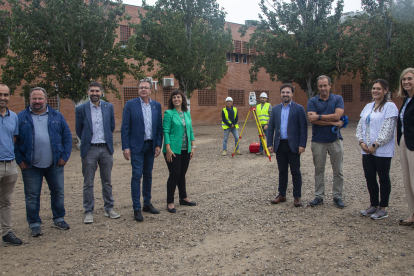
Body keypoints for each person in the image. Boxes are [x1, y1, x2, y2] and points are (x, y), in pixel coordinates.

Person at [15, 87, 72, 237]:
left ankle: (59, 218)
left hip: (55, 164)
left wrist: (64, 156)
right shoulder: (20, 118)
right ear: (30, 100)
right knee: (32, 195)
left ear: (46, 99)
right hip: (30, 165)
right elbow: (14, 141)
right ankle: (34, 223)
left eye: (40, 98)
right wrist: (19, 160)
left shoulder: (57, 116)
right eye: (34, 98)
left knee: (58, 192)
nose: (37, 101)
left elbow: (67, 137)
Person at [76, 82, 120, 224]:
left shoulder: (109, 107)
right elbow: (79, 129)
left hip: (106, 149)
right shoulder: (81, 109)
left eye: (97, 91)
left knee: (107, 181)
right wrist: (88, 141)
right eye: (92, 91)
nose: (94, 93)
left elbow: (111, 126)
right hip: (90, 149)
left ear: (101, 92)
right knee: (88, 182)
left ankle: (109, 208)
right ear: (88, 92)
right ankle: (88, 211)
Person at [121, 78, 163, 222]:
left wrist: (158, 144)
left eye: (146, 87)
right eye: (140, 88)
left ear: (151, 90)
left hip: (150, 146)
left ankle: (147, 203)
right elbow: (125, 127)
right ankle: (136, 208)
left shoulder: (156, 106)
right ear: (138, 90)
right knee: (136, 175)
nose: (143, 90)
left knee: (148, 175)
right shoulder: (130, 105)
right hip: (136, 147)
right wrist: (125, 147)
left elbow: (159, 128)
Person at [356, 79, 398, 220]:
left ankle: (383, 207)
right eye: (374, 88)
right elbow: (361, 125)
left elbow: (388, 129)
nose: (375, 91)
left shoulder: (390, 107)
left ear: (385, 90)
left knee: (383, 178)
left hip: (382, 151)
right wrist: (361, 142)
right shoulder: (368, 106)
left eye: (379, 89)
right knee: (369, 177)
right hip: (366, 150)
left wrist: (375, 145)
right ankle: (373, 204)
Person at [307, 75, 345, 208]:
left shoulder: (338, 98)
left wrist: (319, 117)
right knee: (319, 170)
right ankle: (319, 196)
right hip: (318, 140)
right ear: (317, 87)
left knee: (338, 170)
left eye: (325, 85)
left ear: (330, 85)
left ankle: (337, 196)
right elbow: (312, 120)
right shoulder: (312, 101)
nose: (323, 88)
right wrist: (334, 122)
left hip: (335, 140)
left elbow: (338, 115)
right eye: (320, 86)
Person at [267, 84, 307, 207]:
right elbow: (271, 128)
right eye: (283, 92)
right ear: (280, 94)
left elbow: (303, 128)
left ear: (292, 94)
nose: (285, 94)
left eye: (288, 92)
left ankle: (297, 197)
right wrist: (269, 144)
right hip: (280, 145)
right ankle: (282, 194)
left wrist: (302, 144)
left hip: (293, 145)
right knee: (282, 171)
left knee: (295, 171)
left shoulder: (298, 108)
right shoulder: (275, 109)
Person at [163, 90, 196, 213]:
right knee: (174, 174)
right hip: (172, 150)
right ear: (171, 100)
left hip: (185, 149)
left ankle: (183, 198)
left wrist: (193, 147)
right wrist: (167, 149)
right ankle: (170, 202)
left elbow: (190, 130)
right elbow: (165, 131)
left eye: (178, 97)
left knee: (182, 174)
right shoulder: (168, 113)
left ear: (182, 99)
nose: (176, 99)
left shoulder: (187, 113)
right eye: (174, 97)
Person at [0, 84, 22, 246]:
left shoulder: (13, 117)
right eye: (0, 94)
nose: (2, 98)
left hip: (10, 164)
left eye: (6, 95)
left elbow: (13, 139)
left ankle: (6, 232)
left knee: (5, 200)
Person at [396, 68, 414, 226]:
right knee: (408, 180)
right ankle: (413, 214)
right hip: (405, 141)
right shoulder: (407, 100)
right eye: (404, 79)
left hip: (413, 143)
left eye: (410, 79)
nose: (406, 82)